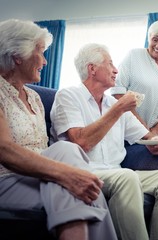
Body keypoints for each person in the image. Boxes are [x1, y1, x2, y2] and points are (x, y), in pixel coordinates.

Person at [50, 43, 158, 240]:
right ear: (92, 69)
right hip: (86, 172)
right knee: (126, 176)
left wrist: (155, 141)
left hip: (116, 172)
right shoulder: (69, 96)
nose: (116, 70)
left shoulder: (114, 104)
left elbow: (145, 136)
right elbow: (81, 142)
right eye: (110, 64)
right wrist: (119, 108)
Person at [0, 19, 117, 240]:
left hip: (41, 177)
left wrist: (69, 176)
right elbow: (4, 150)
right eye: (41, 53)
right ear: (17, 56)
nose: (45, 61)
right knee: (68, 154)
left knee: (86, 190)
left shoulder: (34, 97)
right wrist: (67, 173)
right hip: (7, 179)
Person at [111, 19, 158, 138]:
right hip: (128, 132)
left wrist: (157, 129)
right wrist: (142, 127)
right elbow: (118, 92)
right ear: (149, 38)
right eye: (155, 39)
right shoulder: (134, 56)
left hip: (155, 136)